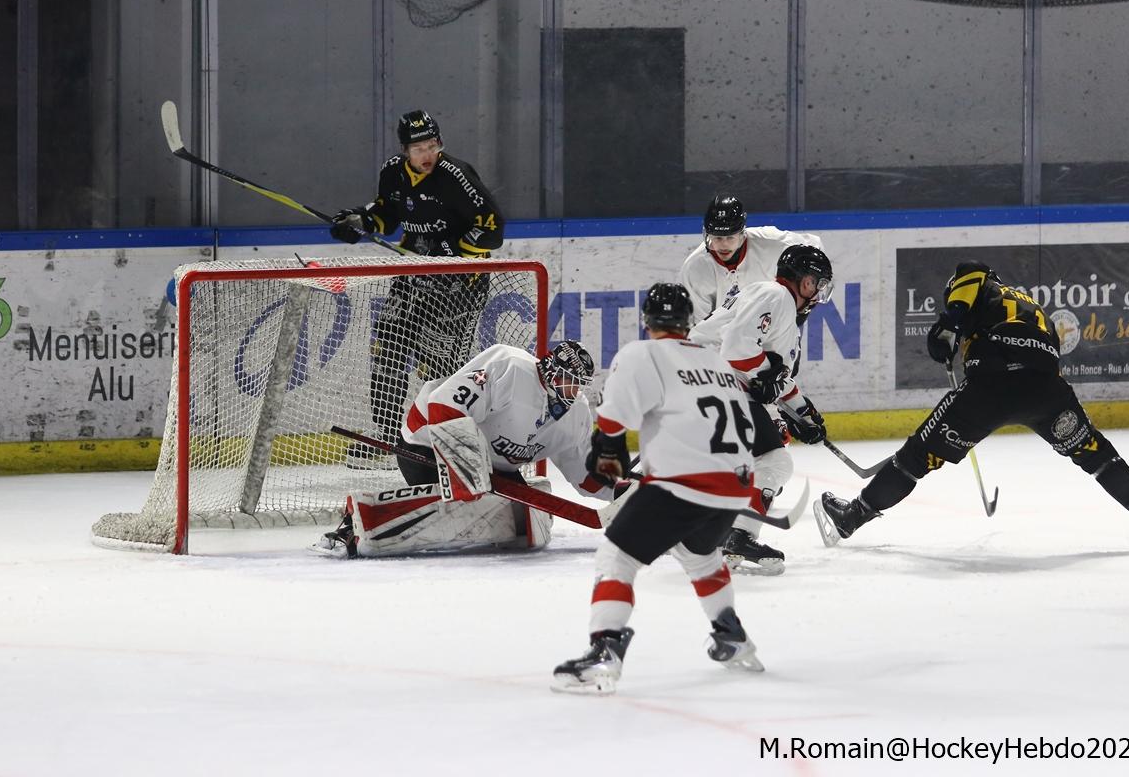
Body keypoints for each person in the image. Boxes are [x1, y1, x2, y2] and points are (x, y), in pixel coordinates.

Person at [814, 260, 1129, 546]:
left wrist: (950, 323)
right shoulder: (1031, 306)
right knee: (1095, 453)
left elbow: (972, 268)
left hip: (989, 390)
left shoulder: (980, 286)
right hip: (1047, 393)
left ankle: (854, 516)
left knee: (917, 458)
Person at [553, 283, 764, 695]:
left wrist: (608, 450)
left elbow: (614, 421)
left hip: (683, 485)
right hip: (735, 487)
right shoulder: (716, 361)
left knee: (616, 557)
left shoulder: (643, 353)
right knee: (699, 556)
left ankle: (604, 650)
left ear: (646, 320)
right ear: (688, 321)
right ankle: (731, 635)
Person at [314, 340, 624, 558]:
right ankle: (356, 523)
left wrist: (622, 491)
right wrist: (464, 470)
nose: (575, 390)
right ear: (553, 371)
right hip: (427, 444)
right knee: (459, 508)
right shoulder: (509, 366)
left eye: (579, 384)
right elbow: (443, 406)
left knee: (521, 520)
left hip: (489, 468)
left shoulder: (575, 414)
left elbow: (585, 475)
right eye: (571, 381)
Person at [329, 110, 505, 452]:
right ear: (404, 150)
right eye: (418, 148)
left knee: (438, 368)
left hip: (458, 286)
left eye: (432, 145)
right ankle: (386, 437)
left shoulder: (456, 176)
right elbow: (387, 213)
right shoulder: (393, 172)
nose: (427, 155)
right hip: (412, 278)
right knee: (388, 350)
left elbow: (493, 227)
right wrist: (360, 221)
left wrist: (453, 251)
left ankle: (439, 440)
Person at [687, 244, 835, 574]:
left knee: (757, 459)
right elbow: (737, 349)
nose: (817, 294)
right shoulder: (776, 296)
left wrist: (803, 413)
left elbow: (775, 377)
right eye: (817, 284)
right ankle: (739, 536)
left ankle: (716, 531)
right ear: (804, 281)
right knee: (774, 461)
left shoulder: (780, 308)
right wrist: (766, 373)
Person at [680, 194, 823, 324]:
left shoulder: (770, 243)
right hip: (721, 336)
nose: (724, 245)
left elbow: (814, 247)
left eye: (730, 237)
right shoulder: (695, 268)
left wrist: (810, 292)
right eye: (717, 238)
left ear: (742, 234)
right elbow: (698, 329)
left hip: (770, 326)